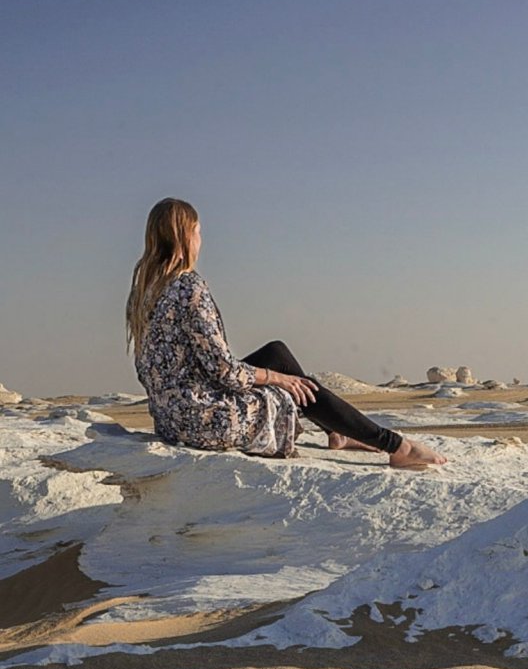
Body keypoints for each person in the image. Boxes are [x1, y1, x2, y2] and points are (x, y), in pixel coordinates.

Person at [126, 198, 446, 469]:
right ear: (184, 236)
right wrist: (277, 379)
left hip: (169, 417)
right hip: (201, 419)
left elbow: (153, 370)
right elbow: (224, 371)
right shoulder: (187, 286)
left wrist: (271, 371)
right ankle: (396, 447)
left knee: (276, 353)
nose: (200, 240)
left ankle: (337, 432)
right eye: (197, 232)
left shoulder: (143, 292)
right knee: (288, 385)